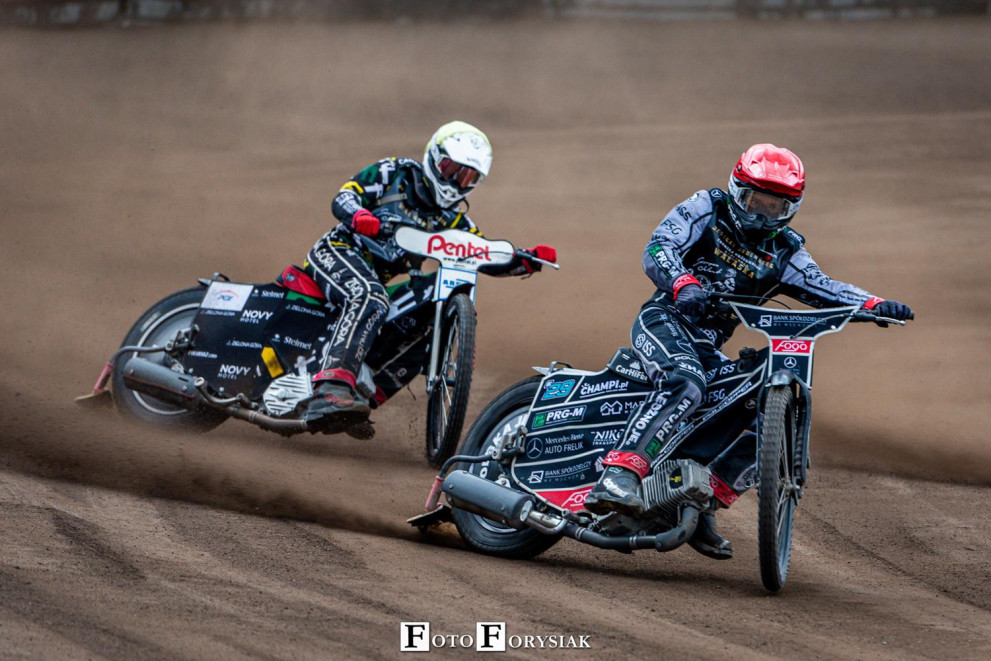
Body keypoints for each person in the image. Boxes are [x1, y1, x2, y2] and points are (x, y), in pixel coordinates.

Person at [583, 143, 913, 558]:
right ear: (738, 191)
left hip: (708, 346)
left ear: (791, 208)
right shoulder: (707, 207)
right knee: (686, 383)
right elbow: (659, 246)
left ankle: (699, 500)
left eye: (775, 208)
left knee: (771, 408)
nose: (762, 216)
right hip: (666, 320)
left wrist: (873, 304)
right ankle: (617, 476)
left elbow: (824, 287)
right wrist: (683, 283)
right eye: (756, 203)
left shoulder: (786, 250)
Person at [301, 121, 557, 432]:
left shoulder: (454, 219)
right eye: (452, 169)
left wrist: (526, 260)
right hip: (339, 250)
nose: (456, 181)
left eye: (467, 176)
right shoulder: (394, 172)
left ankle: (364, 399)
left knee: (435, 314)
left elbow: (482, 253)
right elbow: (344, 196)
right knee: (371, 296)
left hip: (376, 280)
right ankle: (331, 388)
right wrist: (359, 215)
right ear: (435, 157)